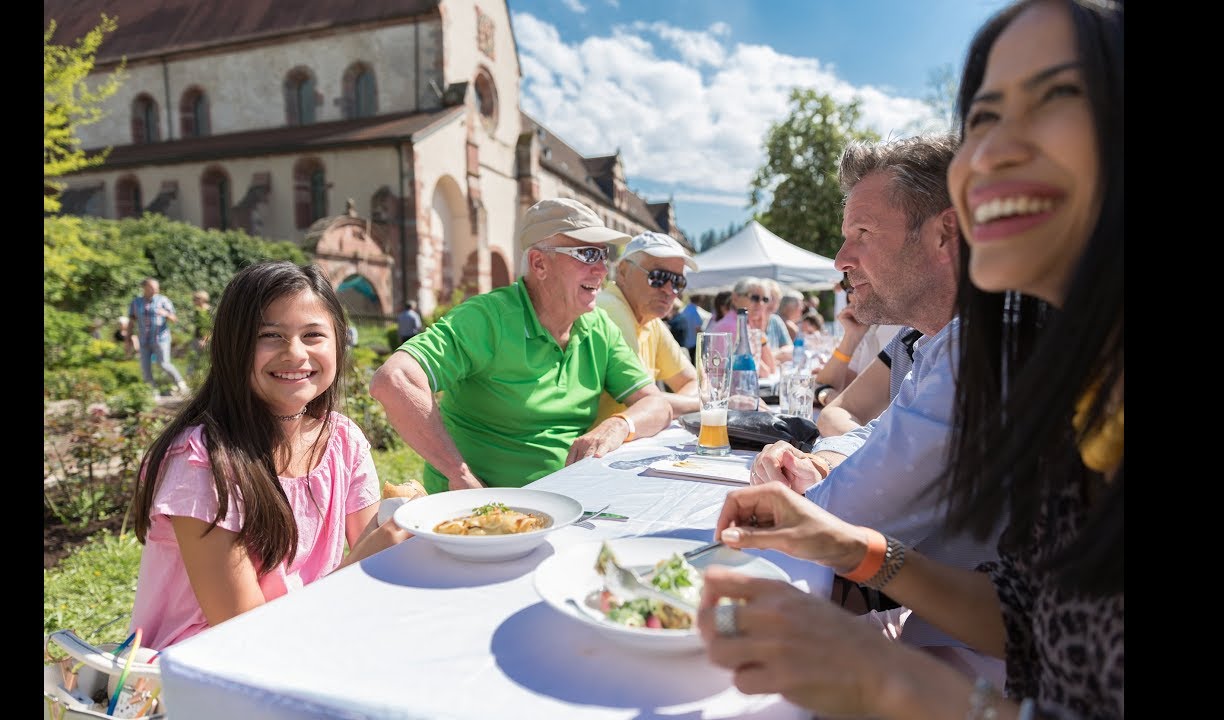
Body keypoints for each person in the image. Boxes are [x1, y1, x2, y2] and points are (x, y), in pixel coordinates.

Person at [699, 1, 1123, 716]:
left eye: (1056, 96)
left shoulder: (1010, 350)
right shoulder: (1072, 375)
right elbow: (1024, 615)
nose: (986, 154)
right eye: (983, 120)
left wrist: (890, 682)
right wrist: (855, 550)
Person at [748, 133, 997, 676]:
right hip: (933, 629)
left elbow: (835, 518)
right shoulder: (940, 341)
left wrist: (803, 483)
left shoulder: (983, 346)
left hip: (987, 673)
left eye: (863, 233)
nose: (841, 259)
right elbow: (872, 435)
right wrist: (818, 461)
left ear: (945, 234)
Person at [129, 261, 415, 651]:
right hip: (204, 668)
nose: (295, 354)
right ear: (233, 345)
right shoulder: (203, 463)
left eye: (313, 334)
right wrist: (361, 566)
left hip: (308, 640)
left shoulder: (342, 441)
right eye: (270, 335)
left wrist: (407, 527)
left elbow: (375, 546)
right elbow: (244, 634)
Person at [368, 198, 673, 494]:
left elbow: (658, 405)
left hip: (564, 503)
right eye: (587, 255)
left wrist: (619, 425)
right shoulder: (488, 318)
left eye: (603, 255)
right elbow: (394, 380)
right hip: (473, 513)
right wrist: (458, 474)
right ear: (539, 263)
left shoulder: (598, 328)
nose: (602, 270)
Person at [595, 231, 702, 419]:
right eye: (658, 276)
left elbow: (693, 381)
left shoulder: (650, 320)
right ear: (623, 271)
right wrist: (715, 404)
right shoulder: (609, 308)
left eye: (678, 282)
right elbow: (643, 401)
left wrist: (665, 409)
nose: (669, 290)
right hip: (604, 444)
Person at [128, 277, 190, 397]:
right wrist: (128, 339)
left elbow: (175, 319)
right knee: (145, 368)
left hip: (161, 339)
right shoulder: (136, 302)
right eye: (152, 287)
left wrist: (166, 314)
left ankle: (181, 384)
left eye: (157, 287)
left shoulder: (163, 300)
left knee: (164, 364)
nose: (155, 290)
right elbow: (131, 321)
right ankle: (152, 392)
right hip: (144, 340)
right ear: (144, 288)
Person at [185, 290, 213, 378]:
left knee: (206, 361)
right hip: (196, 339)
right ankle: (190, 378)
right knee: (193, 359)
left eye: (196, 299)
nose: (194, 301)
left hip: (205, 340)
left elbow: (210, 327)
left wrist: (204, 340)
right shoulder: (197, 311)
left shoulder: (209, 311)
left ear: (203, 299)